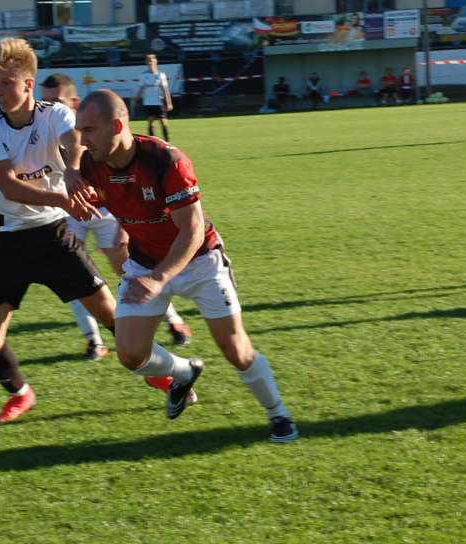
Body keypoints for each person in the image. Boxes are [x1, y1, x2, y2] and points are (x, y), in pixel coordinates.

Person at [74, 89, 298, 442]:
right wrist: (71, 174)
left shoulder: (166, 161)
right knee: (130, 354)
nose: (82, 140)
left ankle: (278, 414)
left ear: (117, 126)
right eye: (78, 131)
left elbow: (192, 231)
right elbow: (63, 150)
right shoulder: (90, 162)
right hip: (145, 263)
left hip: (199, 260)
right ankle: (182, 372)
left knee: (235, 350)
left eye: (88, 130)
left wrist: (159, 279)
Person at [0, 39, 121, 423]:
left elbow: (74, 138)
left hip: (53, 235)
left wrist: (73, 168)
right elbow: (9, 186)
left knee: (113, 317)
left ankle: (168, 376)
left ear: (28, 84)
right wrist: (65, 200)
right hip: (8, 240)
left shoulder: (53, 113)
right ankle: (21, 393)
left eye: (7, 83)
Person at [40, 73, 194, 360]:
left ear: (73, 103)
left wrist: (73, 168)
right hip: (73, 207)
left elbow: (90, 158)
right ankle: (93, 340)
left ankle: (173, 320)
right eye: (44, 102)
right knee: (71, 274)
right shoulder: (42, 125)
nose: (49, 108)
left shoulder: (91, 132)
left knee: (127, 269)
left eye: (56, 102)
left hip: (110, 207)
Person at [134, 54, 173, 142]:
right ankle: (152, 143)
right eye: (148, 61)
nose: (150, 63)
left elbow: (165, 89)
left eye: (151, 61)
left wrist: (169, 102)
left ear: (156, 62)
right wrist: (136, 99)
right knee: (151, 122)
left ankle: (168, 142)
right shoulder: (143, 75)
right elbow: (140, 88)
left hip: (159, 102)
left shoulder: (161, 75)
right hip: (148, 103)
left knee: (163, 122)